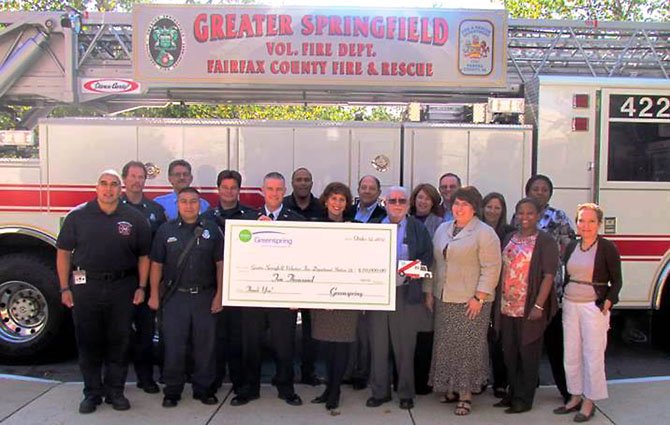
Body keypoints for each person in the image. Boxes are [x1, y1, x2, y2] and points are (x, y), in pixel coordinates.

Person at [57, 169, 151, 414]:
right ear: (96, 187)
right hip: (85, 286)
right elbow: (64, 253)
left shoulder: (134, 218)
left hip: (123, 287)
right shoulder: (77, 216)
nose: (108, 189)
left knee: (119, 342)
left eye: (113, 185)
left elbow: (144, 256)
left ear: (121, 189)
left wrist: (141, 286)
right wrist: (65, 287)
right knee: (88, 342)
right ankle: (91, 393)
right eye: (103, 184)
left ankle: (115, 392)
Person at [425, 186, 501, 416]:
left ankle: (466, 394)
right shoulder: (443, 229)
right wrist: (429, 291)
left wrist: (480, 296)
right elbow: (434, 263)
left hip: (471, 300)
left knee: (467, 348)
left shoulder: (485, 233)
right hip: (444, 297)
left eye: (464, 204)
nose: (459, 208)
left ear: (474, 207)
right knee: (446, 346)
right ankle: (450, 388)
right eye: (456, 203)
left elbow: (492, 268)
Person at [231, 172, 304, 407]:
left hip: (284, 295)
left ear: (285, 192)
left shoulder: (296, 221)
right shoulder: (247, 219)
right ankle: (249, 388)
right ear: (262, 191)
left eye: (279, 189)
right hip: (254, 293)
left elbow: (303, 258)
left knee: (285, 344)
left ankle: (286, 387)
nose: (274, 193)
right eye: (270, 189)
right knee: (250, 343)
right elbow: (238, 256)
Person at [148, 187, 223, 407]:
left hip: (205, 296)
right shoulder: (165, 230)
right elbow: (156, 265)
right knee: (174, 345)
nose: (189, 205)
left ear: (199, 204)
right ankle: (172, 390)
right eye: (184, 202)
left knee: (205, 346)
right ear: (177, 205)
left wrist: (219, 295)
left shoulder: (211, 229)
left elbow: (220, 265)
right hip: (175, 298)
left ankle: (204, 389)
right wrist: (154, 294)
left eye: (193, 201)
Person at [554, 203, 622, 423]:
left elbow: (616, 280)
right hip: (571, 305)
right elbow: (566, 275)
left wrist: (609, 301)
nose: (586, 225)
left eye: (591, 221)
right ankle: (574, 395)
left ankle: (590, 400)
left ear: (599, 224)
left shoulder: (607, 248)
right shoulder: (573, 246)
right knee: (571, 354)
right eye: (582, 220)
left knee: (592, 355)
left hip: (593, 307)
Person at [367, 186, 433, 410]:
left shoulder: (417, 229)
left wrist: (403, 271)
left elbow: (427, 258)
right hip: (377, 293)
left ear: (408, 204)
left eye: (401, 200)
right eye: (392, 200)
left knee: (405, 346)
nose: (397, 204)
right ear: (385, 203)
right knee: (378, 345)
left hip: (406, 292)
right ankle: (380, 392)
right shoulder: (374, 227)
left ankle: (405, 392)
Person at [494, 198, 559, 413]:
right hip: (506, 305)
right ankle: (513, 393)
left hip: (529, 306)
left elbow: (549, 276)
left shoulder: (545, 241)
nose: (525, 217)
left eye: (530, 213)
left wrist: (539, 305)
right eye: (520, 213)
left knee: (528, 353)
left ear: (539, 215)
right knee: (509, 352)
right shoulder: (509, 237)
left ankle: (524, 398)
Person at [515, 174, 575, 402]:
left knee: (554, 343)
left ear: (550, 193)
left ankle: (567, 391)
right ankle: (529, 385)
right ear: (527, 191)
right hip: (522, 290)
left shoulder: (558, 217)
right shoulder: (519, 215)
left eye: (544, 189)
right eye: (535, 189)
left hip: (550, 289)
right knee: (527, 343)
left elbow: (569, 249)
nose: (539, 192)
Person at [201, 170, 255, 395]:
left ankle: (239, 382)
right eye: (225, 187)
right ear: (218, 189)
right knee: (215, 337)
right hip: (214, 286)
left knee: (238, 338)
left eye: (234, 188)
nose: (229, 192)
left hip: (242, 286)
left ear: (239, 190)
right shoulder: (206, 218)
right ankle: (214, 379)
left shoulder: (252, 217)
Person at [310, 182, 360, 411]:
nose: (338, 203)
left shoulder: (357, 227)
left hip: (346, 296)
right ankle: (328, 387)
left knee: (341, 345)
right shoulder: (315, 226)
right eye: (334, 198)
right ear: (326, 201)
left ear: (346, 203)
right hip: (321, 295)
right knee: (326, 345)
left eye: (342, 199)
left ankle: (335, 390)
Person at [121, 161, 168, 395]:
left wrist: (156, 284)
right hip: (119, 281)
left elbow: (161, 250)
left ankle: (146, 378)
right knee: (117, 333)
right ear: (124, 179)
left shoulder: (155, 210)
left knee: (146, 332)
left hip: (147, 281)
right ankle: (113, 381)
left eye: (141, 177)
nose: (137, 181)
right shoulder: (112, 208)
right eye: (133, 176)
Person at [343, 174, 385, 390]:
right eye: (364, 187)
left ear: (378, 192)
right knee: (350, 327)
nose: (367, 190)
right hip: (346, 276)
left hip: (370, 278)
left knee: (366, 331)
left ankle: (362, 373)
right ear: (358, 190)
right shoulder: (347, 212)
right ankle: (348, 371)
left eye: (372, 188)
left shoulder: (384, 215)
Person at [283, 167, 323, 386]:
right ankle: (286, 375)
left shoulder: (321, 207)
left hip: (313, 278)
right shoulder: (285, 207)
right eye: (298, 179)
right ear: (292, 183)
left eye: (307, 179)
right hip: (288, 278)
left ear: (312, 183)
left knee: (311, 333)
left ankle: (309, 373)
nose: (303, 183)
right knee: (285, 332)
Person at [408, 183, 442, 395]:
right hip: (406, 286)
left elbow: (436, 258)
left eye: (427, 198)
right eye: (420, 197)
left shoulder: (440, 224)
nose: (422, 201)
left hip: (427, 284)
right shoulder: (404, 220)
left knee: (425, 336)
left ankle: (423, 381)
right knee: (406, 336)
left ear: (433, 202)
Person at [481, 191, 515, 399]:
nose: (493, 211)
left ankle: (501, 382)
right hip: (479, 291)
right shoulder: (474, 229)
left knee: (498, 338)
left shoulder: (509, 233)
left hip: (503, 292)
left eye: (497, 207)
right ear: (482, 208)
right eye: (489, 206)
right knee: (479, 339)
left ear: (502, 211)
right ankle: (481, 378)